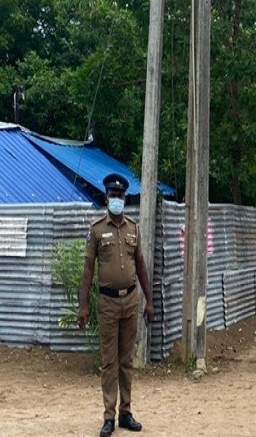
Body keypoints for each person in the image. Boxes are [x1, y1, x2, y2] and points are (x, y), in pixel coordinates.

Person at [79, 173, 155, 437]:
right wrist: (83, 306)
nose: (117, 200)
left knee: (126, 361)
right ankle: (108, 416)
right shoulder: (97, 230)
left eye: (121, 196)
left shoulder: (134, 228)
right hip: (108, 302)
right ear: (106, 197)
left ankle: (126, 412)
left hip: (131, 301)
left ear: (125, 198)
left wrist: (150, 301)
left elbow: (142, 267)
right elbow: (88, 270)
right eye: (113, 196)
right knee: (109, 362)